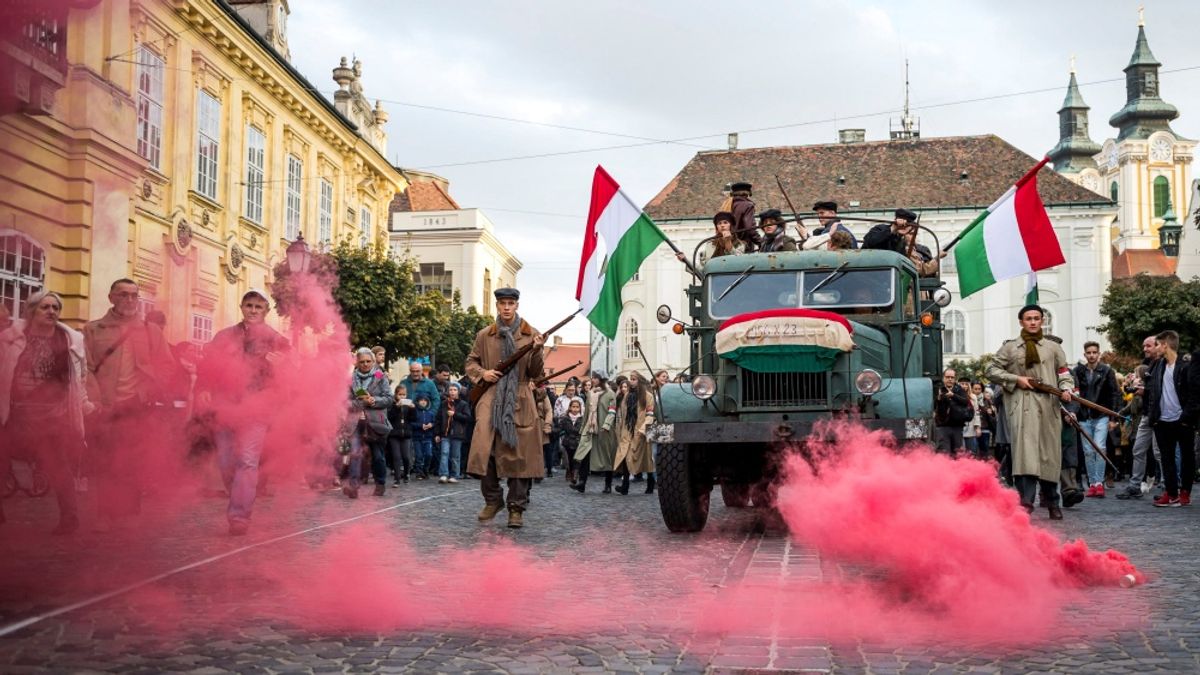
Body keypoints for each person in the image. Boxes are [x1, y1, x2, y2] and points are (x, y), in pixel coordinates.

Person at [195, 289, 290, 536]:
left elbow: (292, 377)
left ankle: (239, 515)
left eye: (259, 307)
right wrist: (203, 388)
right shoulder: (224, 336)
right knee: (226, 462)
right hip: (226, 406)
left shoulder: (277, 340)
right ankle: (237, 495)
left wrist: (281, 367)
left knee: (247, 461)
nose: (253, 311)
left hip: (257, 409)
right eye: (249, 306)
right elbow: (207, 365)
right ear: (242, 307)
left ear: (266, 312)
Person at [82, 278, 175, 527]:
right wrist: (94, 397)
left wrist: (147, 390)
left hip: (136, 404)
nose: (129, 300)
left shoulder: (149, 330)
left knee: (132, 460)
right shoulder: (93, 330)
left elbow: (166, 366)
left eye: (134, 295)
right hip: (104, 404)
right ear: (111, 297)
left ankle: (128, 513)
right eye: (123, 295)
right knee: (104, 460)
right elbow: (86, 368)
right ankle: (104, 512)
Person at [0, 290, 92, 534]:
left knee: (59, 467)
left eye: (55, 308)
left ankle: (70, 520)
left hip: (54, 416)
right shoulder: (10, 340)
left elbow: (79, 378)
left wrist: (85, 405)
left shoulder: (70, 341)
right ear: (31, 311)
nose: (52, 312)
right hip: (16, 414)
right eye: (45, 307)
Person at [464, 288, 546, 528]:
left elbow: (536, 373)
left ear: (517, 305)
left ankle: (516, 508)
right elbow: (471, 361)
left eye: (511, 303)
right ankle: (492, 499)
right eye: (503, 303)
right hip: (491, 392)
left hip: (520, 396)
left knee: (520, 456)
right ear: (497, 307)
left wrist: (538, 350)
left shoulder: (532, 335)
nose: (507, 307)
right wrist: (483, 373)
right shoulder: (485, 335)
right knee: (482, 448)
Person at [986, 304, 1074, 519]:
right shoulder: (1010, 348)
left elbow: (1064, 373)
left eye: (1037, 318)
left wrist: (1066, 388)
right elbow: (991, 370)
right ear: (1021, 322)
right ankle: (1025, 502)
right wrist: (1017, 380)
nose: (1033, 322)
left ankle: (1053, 502)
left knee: (1049, 456)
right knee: (1025, 457)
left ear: (1042, 320)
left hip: (1048, 407)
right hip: (1022, 407)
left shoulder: (1053, 348)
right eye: (1029, 318)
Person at [1145, 330, 1196, 507]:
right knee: (1166, 459)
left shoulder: (1186, 365)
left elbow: (1194, 394)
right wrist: (1154, 418)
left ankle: (1185, 492)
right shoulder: (1158, 365)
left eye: (1157, 344)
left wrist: (1186, 417)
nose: (1155, 348)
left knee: (1187, 457)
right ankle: (1171, 493)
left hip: (1183, 419)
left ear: (1165, 345)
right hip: (1162, 420)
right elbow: (1152, 392)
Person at [1072, 341, 1119, 498]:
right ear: (1085, 354)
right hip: (1084, 416)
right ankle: (1092, 483)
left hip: (1101, 416)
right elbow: (1073, 393)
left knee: (1099, 448)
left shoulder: (1107, 371)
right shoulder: (1078, 371)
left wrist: (1113, 417)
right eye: (1089, 353)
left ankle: (1099, 483)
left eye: (1094, 352)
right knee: (1087, 451)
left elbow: (1115, 394)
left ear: (1098, 354)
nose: (1091, 355)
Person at [1117, 336, 1162, 499]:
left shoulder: (1163, 364)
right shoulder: (1150, 363)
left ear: (1158, 346)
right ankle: (1135, 485)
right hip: (1147, 414)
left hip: (1159, 414)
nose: (1145, 349)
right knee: (1138, 450)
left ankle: (1167, 485)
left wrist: (1144, 390)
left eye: (1148, 346)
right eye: (1144, 346)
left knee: (1159, 452)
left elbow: (1161, 389)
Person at [346, 347, 393, 498]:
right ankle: (353, 486)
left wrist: (373, 401)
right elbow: (345, 402)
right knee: (355, 453)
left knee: (378, 456)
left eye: (368, 361)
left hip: (376, 422)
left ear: (373, 361)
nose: (365, 364)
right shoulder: (350, 379)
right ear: (357, 363)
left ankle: (380, 483)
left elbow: (389, 398)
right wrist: (360, 403)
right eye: (362, 362)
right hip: (356, 423)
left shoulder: (380, 376)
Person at [573, 371, 617, 493]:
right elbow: (587, 412)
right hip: (590, 429)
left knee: (607, 456)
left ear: (601, 379)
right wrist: (583, 428)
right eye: (593, 378)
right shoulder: (590, 394)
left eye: (595, 378)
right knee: (584, 455)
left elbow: (612, 411)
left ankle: (608, 484)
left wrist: (607, 424)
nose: (593, 380)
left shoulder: (610, 394)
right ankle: (582, 483)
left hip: (604, 431)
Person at [612, 370, 656, 495]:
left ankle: (651, 482)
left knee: (646, 459)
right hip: (627, 431)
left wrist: (643, 429)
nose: (631, 381)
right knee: (625, 456)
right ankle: (625, 485)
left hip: (641, 432)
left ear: (640, 381)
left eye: (634, 379)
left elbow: (650, 415)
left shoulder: (648, 396)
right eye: (630, 379)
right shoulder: (627, 396)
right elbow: (622, 414)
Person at [863, 208, 940, 276]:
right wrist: (894, 228)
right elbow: (870, 242)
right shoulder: (880, 229)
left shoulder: (902, 241)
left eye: (907, 226)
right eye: (903, 225)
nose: (904, 228)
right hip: (870, 272)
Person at [435, 382, 472, 483]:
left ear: (458, 392)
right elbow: (438, 419)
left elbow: (468, 418)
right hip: (445, 433)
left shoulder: (463, 404)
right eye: (450, 390)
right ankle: (443, 474)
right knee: (444, 453)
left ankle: (454, 475)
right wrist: (437, 433)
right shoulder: (443, 404)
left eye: (454, 390)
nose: (452, 392)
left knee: (455, 456)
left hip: (457, 433)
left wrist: (455, 414)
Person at [933, 368, 971, 457]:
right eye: (947, 377)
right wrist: (938, 399)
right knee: (943, 453)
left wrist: (953, 395)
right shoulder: (938, 389)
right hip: (943, 427)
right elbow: (934, 406)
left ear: (955, 379)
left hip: (957, 427)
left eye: (952, 377)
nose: (950, 379)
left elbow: (965, 401)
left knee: (958, 453)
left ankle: (957, 470)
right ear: (943, 378)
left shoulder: (959, 389)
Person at [386, 383, 414, 485]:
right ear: (396, 395)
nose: (402, 397)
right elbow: (389, 418)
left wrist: (412, 409)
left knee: (406, 457)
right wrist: (396, 408)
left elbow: (413, 419)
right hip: (394, 434)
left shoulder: (408, 405)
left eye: (404, 395)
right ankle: (397, 479)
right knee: (396, 457)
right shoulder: (392, 405)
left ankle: (406, 474)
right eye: (400, 395)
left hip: (406, 434)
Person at [409, 392, 436, 480]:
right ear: (418, 401)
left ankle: (426, 470)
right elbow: (411, 423)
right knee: (419, 455)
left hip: (428, 437)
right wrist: (421, 426)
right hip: (417, 437)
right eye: (421, 400)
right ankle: (419, 472)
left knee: (429, 455)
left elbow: (434, 423)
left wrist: (431, 425)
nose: (423, 402)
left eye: (425, 400)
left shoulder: (430, 413)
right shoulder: (415, 412)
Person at [728, 181, 762, 253]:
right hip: (743, 246)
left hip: (729, 244)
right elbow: (750, 229)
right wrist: (761, 242)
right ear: (748, 194)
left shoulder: (728, 205)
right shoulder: (748, 205)